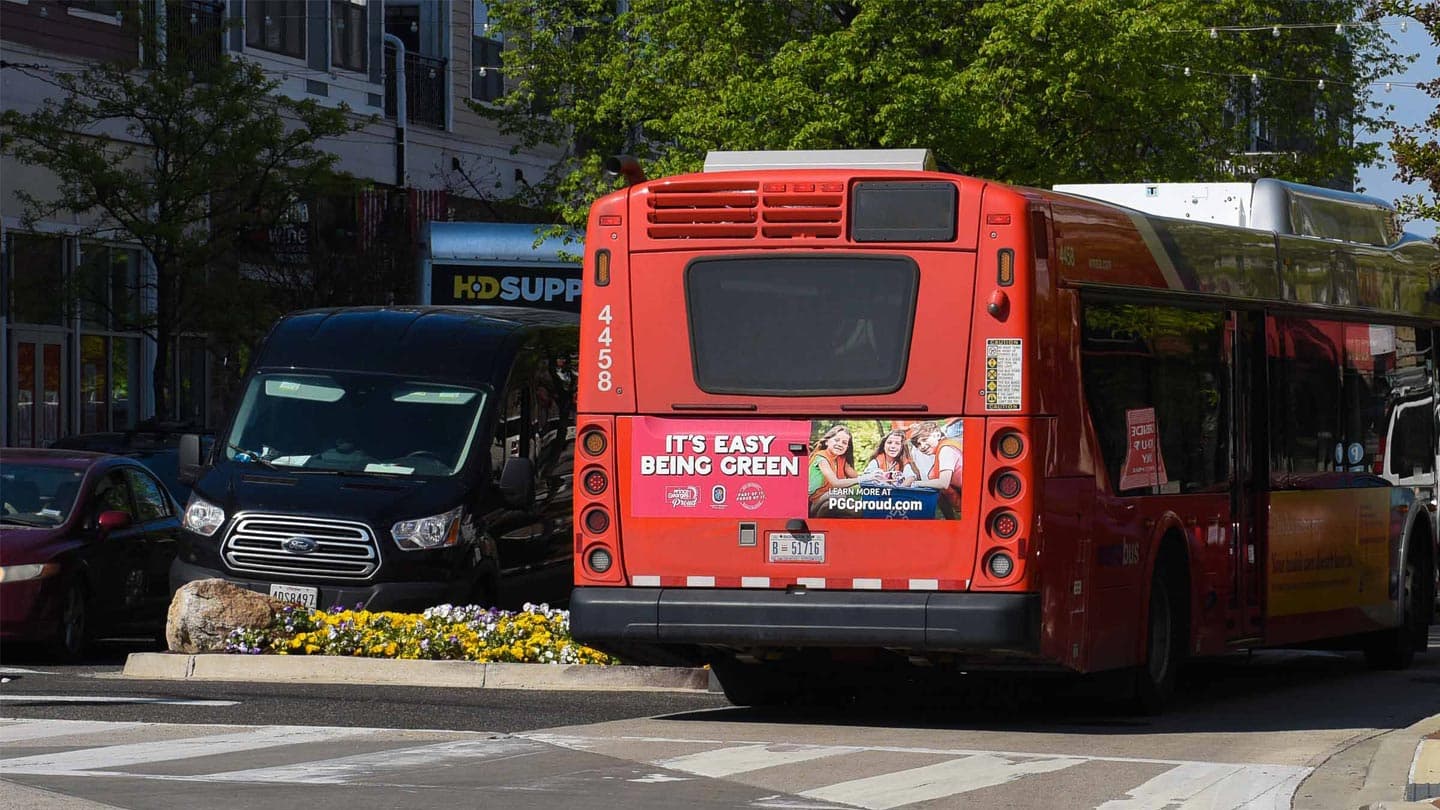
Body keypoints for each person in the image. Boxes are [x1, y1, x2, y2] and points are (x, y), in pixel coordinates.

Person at [808, 425, 875, 507]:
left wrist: (873, 476)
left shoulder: (841, 459)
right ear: (827, 441)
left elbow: (856, 477)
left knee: (856, 503)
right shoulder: (821, 458)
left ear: (847, 447)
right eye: (836, 440)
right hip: (813, 501)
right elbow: (836, 483)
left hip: (830, 497)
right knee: (839, 496)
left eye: (844, 443)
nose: (840, 444)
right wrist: (863, 479)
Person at [909, 420, 963, 517]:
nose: (922, 446)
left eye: (924, 440)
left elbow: (943, 483)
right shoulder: (942, 449)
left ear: (937, 435)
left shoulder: (945, 450)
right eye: (918, 444)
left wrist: (914, 484)